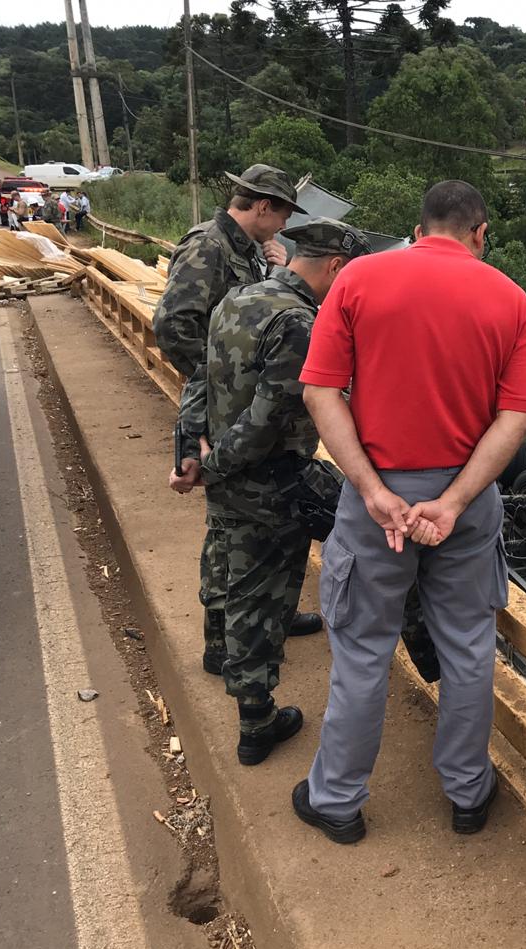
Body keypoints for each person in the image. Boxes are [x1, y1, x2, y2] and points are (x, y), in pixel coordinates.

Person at [291, 180, 526, 843]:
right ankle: (467, 792)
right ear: (480, 233)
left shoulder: (360, 279)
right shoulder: (509, 299)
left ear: (419, 225)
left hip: (377, 503)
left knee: (363, 652)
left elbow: (320, 393)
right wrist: (456, 500)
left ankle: (338, 800)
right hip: (467, 500)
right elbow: (515, 416)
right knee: (467, 651)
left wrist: (374, 492)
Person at [176, 218, 370, 765]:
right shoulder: (300, 323)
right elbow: (267, 420)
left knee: (224, 563)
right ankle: (257, 723)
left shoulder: (239, 298)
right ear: (335, 266)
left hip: (226, 473)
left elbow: (200, 383)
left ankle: (217, 653)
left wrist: (192, 453)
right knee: (261, 598)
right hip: (265, 480)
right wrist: (220, 468)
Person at [156, 163, 323, 677]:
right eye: (282, 215)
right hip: (222, 408)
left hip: (240, 409)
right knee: (231, 528)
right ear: (263, 206)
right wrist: (220, 382)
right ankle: (225, 640)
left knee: (242, 527)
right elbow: (172, 324)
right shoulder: (208, 245)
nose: (282, 226)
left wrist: (276, 268)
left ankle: (267, 614)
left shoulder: (247, 251)